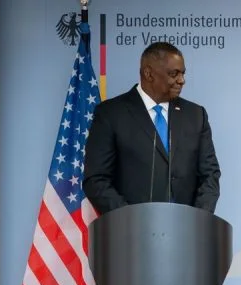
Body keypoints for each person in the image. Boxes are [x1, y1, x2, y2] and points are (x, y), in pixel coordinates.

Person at [83, 42, 221, 215]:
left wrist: (197, 219)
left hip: (187, 228)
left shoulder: (196, 115)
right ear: (149, 74)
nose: (181, 80)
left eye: (183, 73)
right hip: (130, 228)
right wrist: (130, 219)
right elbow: (96, 179)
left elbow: (210, 175)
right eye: (174, 74)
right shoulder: (111, 113)